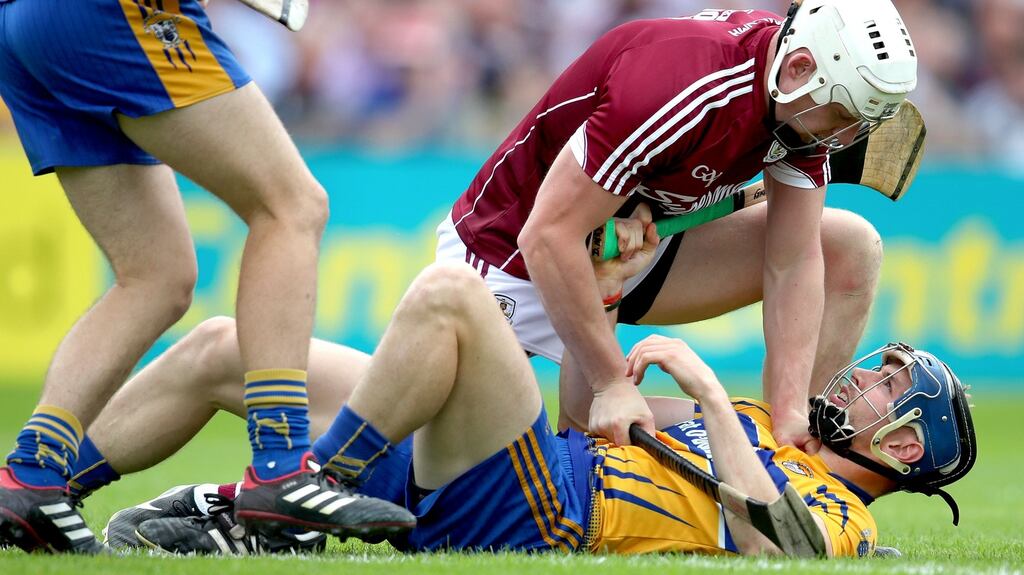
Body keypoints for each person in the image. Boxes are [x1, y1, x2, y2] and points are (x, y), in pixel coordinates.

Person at [66, 232, 974, 557]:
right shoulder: (756, 428)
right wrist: (606, 304)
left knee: (455, 296)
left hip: (543, 506)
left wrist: (700, 385)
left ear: (899, 447)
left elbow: (779, 547)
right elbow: (590, 416)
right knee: (230, 347)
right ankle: (38, 495)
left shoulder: (839, 523)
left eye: (885, 385)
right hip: (527, 462)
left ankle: (295, 502)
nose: (856, 377)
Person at [0, 0, 411, 554]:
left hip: (21, 29)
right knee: (291, 206)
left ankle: (33, 475)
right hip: (109, 12)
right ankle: (281, 466)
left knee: (155, 276)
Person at [436, 0, 918, 451]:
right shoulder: (681, 86)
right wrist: (611, 383)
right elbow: (546, 237)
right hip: (513, 252)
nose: (846, 138)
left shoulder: (804, 98)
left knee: (849, 247)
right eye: (841, 116)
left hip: (630, 250)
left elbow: (793, 261)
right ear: (798, 69)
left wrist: (789, 416)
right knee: (457, 466)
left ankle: (792, 463)